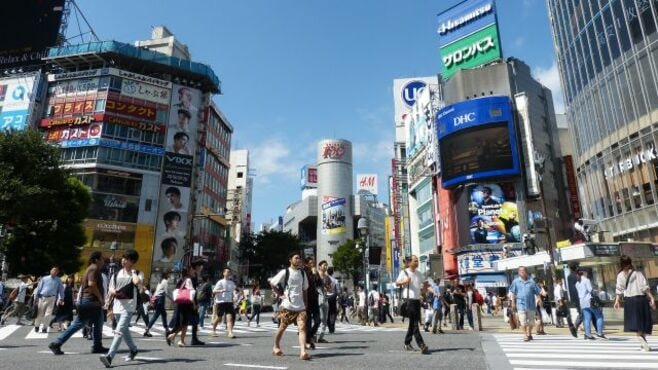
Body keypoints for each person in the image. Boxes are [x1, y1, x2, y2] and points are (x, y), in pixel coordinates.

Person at [49, 251, 107, 355]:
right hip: (90, 301)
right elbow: (92, 284)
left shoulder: (92, 268)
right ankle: (56, 343)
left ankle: (97, 345)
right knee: (79, 324)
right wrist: (100, 298)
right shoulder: (94, 268)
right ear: (97, 259)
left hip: (89, 302)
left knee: (99, 321)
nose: (104, 260)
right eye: (102, 258)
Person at [99, 250, 142, 368]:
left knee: (119, 331)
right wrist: (114, 293)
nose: (123, 260)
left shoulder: (137, 273)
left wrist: (132, 271)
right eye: (123, 258)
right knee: (124, 332)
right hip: (117, 306)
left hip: (129, 307)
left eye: (126, 258)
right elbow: (111, 288)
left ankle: (109, 357)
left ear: (132, 261)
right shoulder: (116, 274)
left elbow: (137, 282)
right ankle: (133, 350)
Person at [269, 252, 311, 360]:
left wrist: (306, 303)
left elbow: (305, 289)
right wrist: (280, 295)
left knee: (302, 327)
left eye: (299, 258)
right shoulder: (285, 272)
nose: (298, 260)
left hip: (300, 306)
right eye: (296, 258)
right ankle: (276, 346)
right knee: (282, 327)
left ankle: (302, 352)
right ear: (290, 260)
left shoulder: (303, 273)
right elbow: (272, 283)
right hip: (288, 306)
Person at [614, 255, 656, 351]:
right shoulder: (638, 273)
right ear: (630, 262)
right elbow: (644, 287)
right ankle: (643, 341)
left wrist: (617, 301)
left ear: (621, 264)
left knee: (635, 323)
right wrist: (652, 298)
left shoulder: (620, 275)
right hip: (641, 300)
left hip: (630, 301)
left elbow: (619, 289)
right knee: (643, 323)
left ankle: (642, 341)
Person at [396, 255, 429, 354]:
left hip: (417, 301)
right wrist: (405, 281)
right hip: (409, 301)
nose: (417, 262)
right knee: (415, 323)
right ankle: (421, 345)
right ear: (409, 262)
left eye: (417, 261)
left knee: (412, 323)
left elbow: (424, 285)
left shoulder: (419, 274)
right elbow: (397, 283)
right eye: (415, 261)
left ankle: (407, 343)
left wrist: (426, 289)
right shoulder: (404, 272)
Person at [509, 266, 542, 342]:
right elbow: (513, 293)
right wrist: (513, 302)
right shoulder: (515, 281)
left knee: (531, 322)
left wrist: (539, 299)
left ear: (526, 272)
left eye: (523, 270)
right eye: (520, 271)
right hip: (520, 304)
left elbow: (537, 292)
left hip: (531, 304)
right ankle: (525, 334)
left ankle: (529, 333)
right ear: (518, 272)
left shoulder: (532, 281)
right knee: (523, 321)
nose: (522, 272)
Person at [575, 269, 605, 340]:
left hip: (582, 302)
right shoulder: (586, 280)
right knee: (599, 315)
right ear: (582, 273)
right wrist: (597, 292)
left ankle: (588, 334)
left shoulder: (577, 283)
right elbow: (590, 290)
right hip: (589, 301)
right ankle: (599, 333)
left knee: (586, 319)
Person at [33, 266, 65, 333]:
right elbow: (39, 288)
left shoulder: (58, 280)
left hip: (52, 298)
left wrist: (62, 298)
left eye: (56, 271)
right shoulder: (44, 278)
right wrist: (36, 298)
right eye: (53, 270)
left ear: (57, 272)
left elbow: (61, 290)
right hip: (42, 297)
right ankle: (37, 326)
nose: (54, 272)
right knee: (40, 313)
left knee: (48, 314)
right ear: (50, 271)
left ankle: (45, 328)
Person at [211, 267, 236, 338]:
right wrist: (220, 291)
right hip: (221, 302)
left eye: (229, 272)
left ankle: (230, 332)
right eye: (227, 272)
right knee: (219, 318)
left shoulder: (231, 283)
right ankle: (213, 330)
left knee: (229, 317)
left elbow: (235, 289)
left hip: (229, 302)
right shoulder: (220, 282)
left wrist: (235, 296)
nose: (228, 273)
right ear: (223, 273)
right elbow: (214, 291)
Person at [144, 272, 171, 337]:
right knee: (156, 315)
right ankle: (147, 329)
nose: (169, 276)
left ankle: (167, 329)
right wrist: (173, 299)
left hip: (157, 299)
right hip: (160, 299)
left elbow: (156, 291)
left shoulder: (160, 281)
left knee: (164, 314)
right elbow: (167, 291)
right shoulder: (165, 281)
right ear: (166, 275)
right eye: (168, 274)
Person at [304, 256, 321, 350]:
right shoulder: (303, 273)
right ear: (306, 264)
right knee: (308, 323)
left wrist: (315, 274)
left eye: (313, 263)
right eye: (310, 263)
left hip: (314, 299)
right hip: (306, 300)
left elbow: (319, 284)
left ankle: (308, 337)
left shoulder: (315, 273)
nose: (312, 265)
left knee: (318, 320)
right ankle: (308, 341)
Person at [566, 263, 583, 337]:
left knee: (582, 312)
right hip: (580, 297)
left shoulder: (569, 276)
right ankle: (575, 327)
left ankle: (576, 327)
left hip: (574, 297)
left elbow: (571, 289)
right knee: (583, 313)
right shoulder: (577, 276)